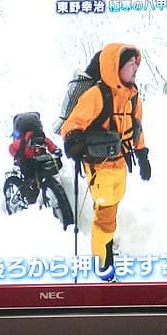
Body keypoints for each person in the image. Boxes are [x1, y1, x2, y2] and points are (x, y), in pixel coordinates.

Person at [61, 43, 151, 280]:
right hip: (100, 167)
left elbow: (137, 127)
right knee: (105, 219)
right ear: (115, 67)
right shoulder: (97, 95)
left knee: (109, 211)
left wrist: (142, 154)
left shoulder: (132, 97)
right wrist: (73, 142)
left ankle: (106, 246)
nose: (135, 69)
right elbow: (71, 125)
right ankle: (103, 267)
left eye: (136, 65)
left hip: (120, 165)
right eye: (130, 64)